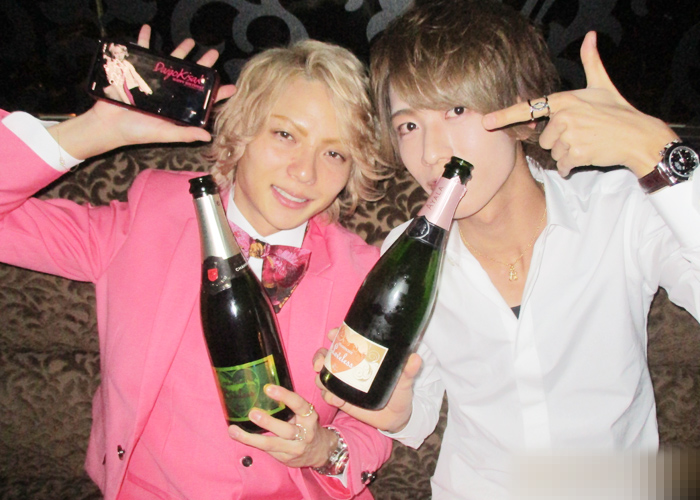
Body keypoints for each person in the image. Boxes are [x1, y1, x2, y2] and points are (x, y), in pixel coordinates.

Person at [314, 0, 700, 498]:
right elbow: (417, 412)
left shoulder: (618, 209)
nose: (430, 153)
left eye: (456, 110)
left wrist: (653, 148)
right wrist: (397, 408)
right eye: (409, 125)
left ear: (521, 107)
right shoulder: (405, 251)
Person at [0, 25, 391, 499]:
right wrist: (97, 131)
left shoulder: (363, 274)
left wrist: (323, 449)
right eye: (285, 134)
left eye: (334, 152)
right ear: (242, 130)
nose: (305, 172)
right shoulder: (147, 221)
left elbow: (373, 423)